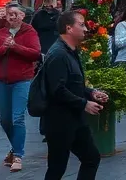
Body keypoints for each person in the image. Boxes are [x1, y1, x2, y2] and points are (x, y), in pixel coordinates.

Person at [41, 10, 109, 180]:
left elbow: (74, 84)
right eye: (82, 24)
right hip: (59, 121)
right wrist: (84, 104)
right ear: (69, 28)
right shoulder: (58, 54)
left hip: (75, 119)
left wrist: (92, 93)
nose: (86, 28)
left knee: (91, 158)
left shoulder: (71, 51)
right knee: (57, 168)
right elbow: (57, 90)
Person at [0, 1, 41, 172]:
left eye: (16, 14)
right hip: (1, 81)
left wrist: (15, 47)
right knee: (4, 119)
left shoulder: (29, 32)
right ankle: (14, 147)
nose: (13, 17)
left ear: (23, 16)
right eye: (10, 14)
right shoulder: (0, 34)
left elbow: (35, 53)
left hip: (21, 80)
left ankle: (18, 154)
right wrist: (3, 48)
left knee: (18, 117)